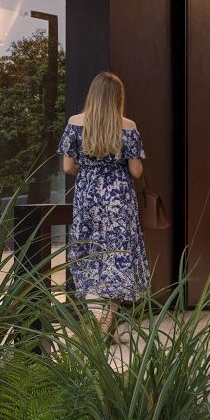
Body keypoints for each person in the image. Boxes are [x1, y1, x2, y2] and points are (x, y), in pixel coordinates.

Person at [60, 71, 149, 333]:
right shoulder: (128, 126)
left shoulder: (75, 122)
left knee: (88, 251)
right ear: (117, 97)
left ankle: (95, 320)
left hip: (87, 194)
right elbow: (135, 171)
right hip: (118, 197)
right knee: (117, 255)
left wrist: (89, 173)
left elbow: (67, 167)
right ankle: (106, 321)